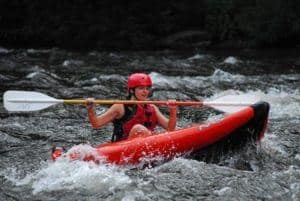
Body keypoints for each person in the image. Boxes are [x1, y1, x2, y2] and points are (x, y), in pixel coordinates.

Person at [86, 73, 177, 142]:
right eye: (141, 88)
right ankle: (155, 139)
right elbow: (96, 124)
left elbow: (170, 128)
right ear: (132, 90)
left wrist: (173, 110)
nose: (145, 92)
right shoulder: (120, 106)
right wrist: (90, 109)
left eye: (147, 88)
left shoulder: (152, 107)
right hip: (123, 147)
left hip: (147, 144)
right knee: (138, 129)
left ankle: (155, 139)